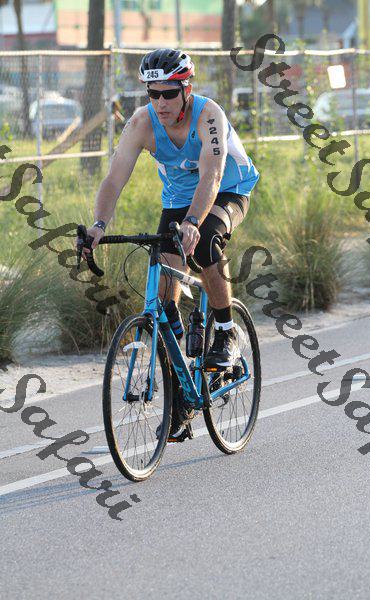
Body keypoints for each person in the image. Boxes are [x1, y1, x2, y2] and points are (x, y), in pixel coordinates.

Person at [81, 48, 259, 439]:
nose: (160, 102)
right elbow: (114, 179)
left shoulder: (209, 115)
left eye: (168, 94)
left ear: (186, 90)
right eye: (153, 94)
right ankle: (181, 397)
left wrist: (194, 222)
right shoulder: (141, 123)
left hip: (227, 190)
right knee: (162, 302)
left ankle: (226, 330)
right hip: (178, 200)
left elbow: (212, 176)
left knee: (207, 242)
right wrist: (98, 225)